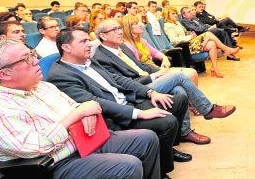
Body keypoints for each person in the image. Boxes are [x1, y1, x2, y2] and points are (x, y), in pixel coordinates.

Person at [0, 40, 162, 179]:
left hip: (86, 139)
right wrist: (77, 114)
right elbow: (37, 146)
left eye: (32, 54)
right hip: (57, 164)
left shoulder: (41, 86)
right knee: (127, 166)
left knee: (146, 138)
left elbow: (79, 105)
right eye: (26, 59)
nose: (36, 61)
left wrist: (83, 110)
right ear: (4, 74)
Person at [46, 28, 192, 178]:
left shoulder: (88, 60)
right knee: (167, 122)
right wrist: (139, 114)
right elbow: (95, 102)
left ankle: (166, 150)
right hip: (115, 117)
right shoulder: (60, 75)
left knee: (179, 100)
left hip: (129, 101)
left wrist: (150, 92)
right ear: (66, 47)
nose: (89, 44)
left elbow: (118, 79)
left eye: (88, 40)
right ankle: (161, 170)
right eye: (83, 41)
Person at [93, 19, 236, 145]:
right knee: (178, 76)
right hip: (138, 88)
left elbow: (141, 66)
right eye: (114, 29)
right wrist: (156, 76)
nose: (120, 31)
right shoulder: (101, 57)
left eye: (119, 28)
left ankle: (184, 132)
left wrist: (157, 70)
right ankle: (208, 109)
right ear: (103, 36)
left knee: (179, 90)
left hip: (146, 79)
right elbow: (123, 83)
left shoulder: (122, 47)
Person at [163, 6, 239, 78]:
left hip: (189, 43)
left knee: (212, 43)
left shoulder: (176, 23)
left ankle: (214, 68)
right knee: (208, 34)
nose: (176, 15)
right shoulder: (168, 25)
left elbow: (184, 33)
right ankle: (227, 50)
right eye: (173, 13)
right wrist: (189, 37)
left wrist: (190, 34)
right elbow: (174, 39)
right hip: (183, 47)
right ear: (167, 15)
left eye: (176, 13)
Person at [119, 15, 199, 84]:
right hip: (150, 74)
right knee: (191, 73)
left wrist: (164, 58)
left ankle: (191, 102)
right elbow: (140, 68)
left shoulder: (141, 40)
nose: (140, 25)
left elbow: (155, 52)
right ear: (128, 28)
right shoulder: (128, 46)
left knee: (192, 73)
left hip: (155, 69)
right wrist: (160, 71)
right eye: (136, 24)